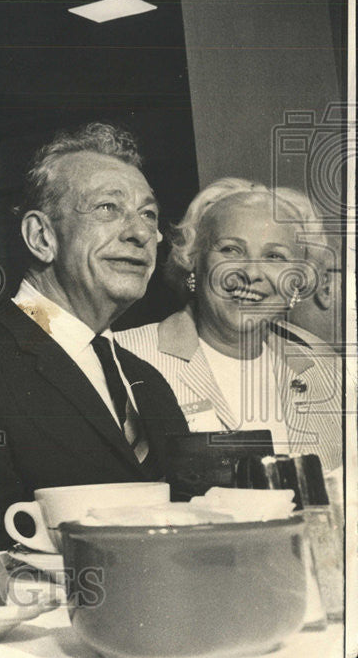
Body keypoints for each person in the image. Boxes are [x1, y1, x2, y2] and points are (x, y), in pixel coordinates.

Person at [0, 123, 189, 545]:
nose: (141, 233)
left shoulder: (147, 381)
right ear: (42, 237)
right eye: (108, 208)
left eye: (148, 214)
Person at [115, 178, 342, 472]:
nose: (251, 273)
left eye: (275, 256)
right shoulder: (124, 356)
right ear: (193, 260)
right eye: (231, 250)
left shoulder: (328, 368)